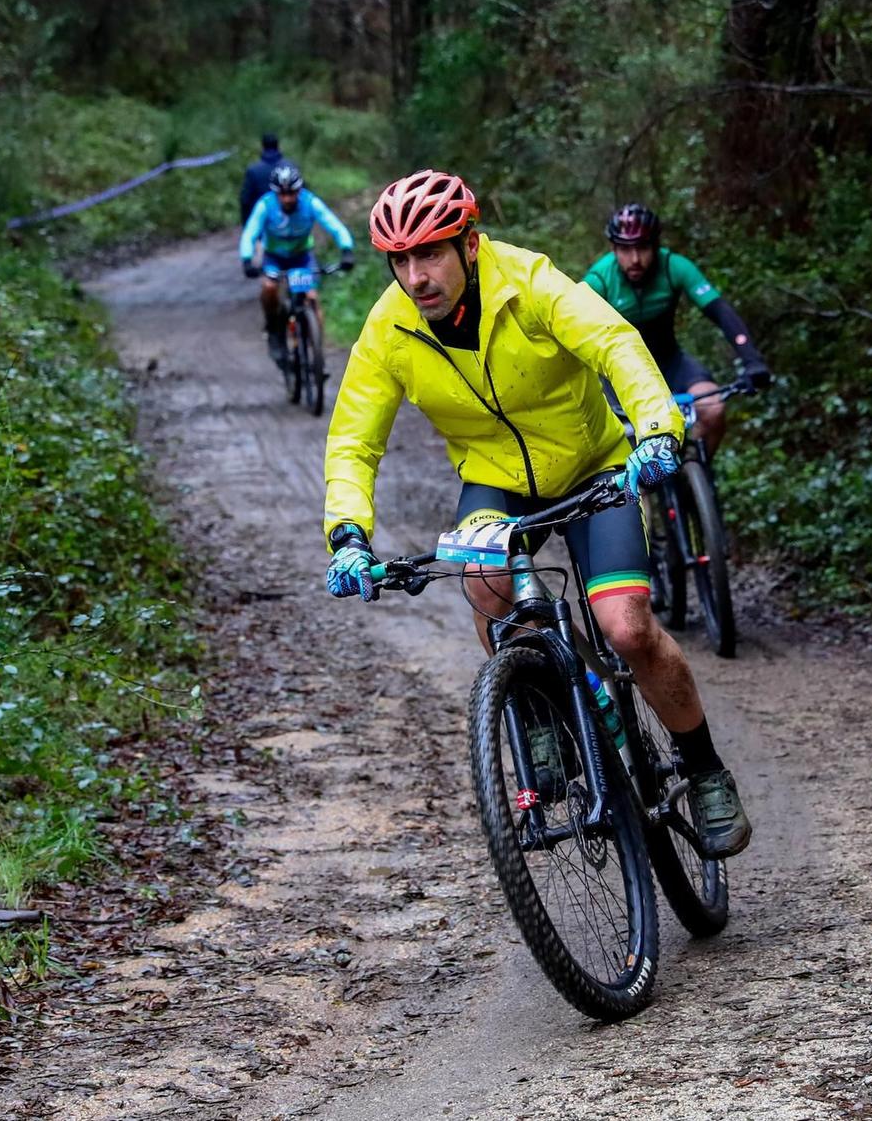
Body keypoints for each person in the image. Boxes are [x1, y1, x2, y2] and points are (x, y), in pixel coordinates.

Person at [320, 170, 752, 858]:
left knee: (627, 626)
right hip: (496, 484)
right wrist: (348, 533)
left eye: (429, 252)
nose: (415, 275)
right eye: (399, 260)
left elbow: (613, 341)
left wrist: (655, 429)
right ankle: (539, 707)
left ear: (467, 244)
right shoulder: (390, 326)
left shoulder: (530, 281)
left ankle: (703, 768)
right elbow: (354, 438)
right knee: (486, 588)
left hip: (592, 464)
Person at [582, 204, 770, 456]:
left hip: (671, 362)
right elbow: (572, 331)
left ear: (656, 245)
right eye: (626, 249)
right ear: (613, 249)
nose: (635, 259)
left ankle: (696, 473)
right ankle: (643, 492)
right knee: (626, 444)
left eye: (643, 247)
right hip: (622, 375)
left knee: (713, 410)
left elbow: (720, 311)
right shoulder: (600, 279)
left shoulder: (674, 267)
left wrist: (751, 359)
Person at [237, 162, 355, 364]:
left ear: (299, 190)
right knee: (269, 288)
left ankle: (317, 351)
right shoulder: (265, 205)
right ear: (275, 193)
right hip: (274, 257)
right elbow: (250, 233)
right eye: (282, 194)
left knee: (311, 297)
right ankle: (274, 329)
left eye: (292, 193)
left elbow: (334, 225)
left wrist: (346, 249)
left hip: (302, 257)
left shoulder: (310, 203)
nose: (287, 198)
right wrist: (247, 259)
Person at [239, 133, 289, 225]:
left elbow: (245, 199)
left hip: (262, 220)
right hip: (288, 219)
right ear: (278, 146)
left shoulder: (253, 170)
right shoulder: (290, 167)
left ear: (262, 147)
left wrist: (246, 224)